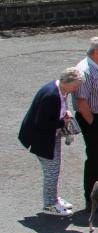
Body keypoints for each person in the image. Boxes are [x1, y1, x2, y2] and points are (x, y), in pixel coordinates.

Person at [19, 67, 83, 216]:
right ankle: (49, 204)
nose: (76, 89)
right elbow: (42, 123)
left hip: (50, 137)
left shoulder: (61, 90)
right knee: (51, 171)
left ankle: (53, 198)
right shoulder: (51, 96)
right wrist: (63, 122)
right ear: (66, 82)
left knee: (54, 168)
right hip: (42, 139)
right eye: (75, 85)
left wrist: (64, 115)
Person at [73, 37, 98, 211]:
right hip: (93, 118)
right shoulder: (86, 70)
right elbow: (81, 101)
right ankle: (91, 197)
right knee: (95, 159)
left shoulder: (97, 67)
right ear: (96, 53)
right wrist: (92, 123)